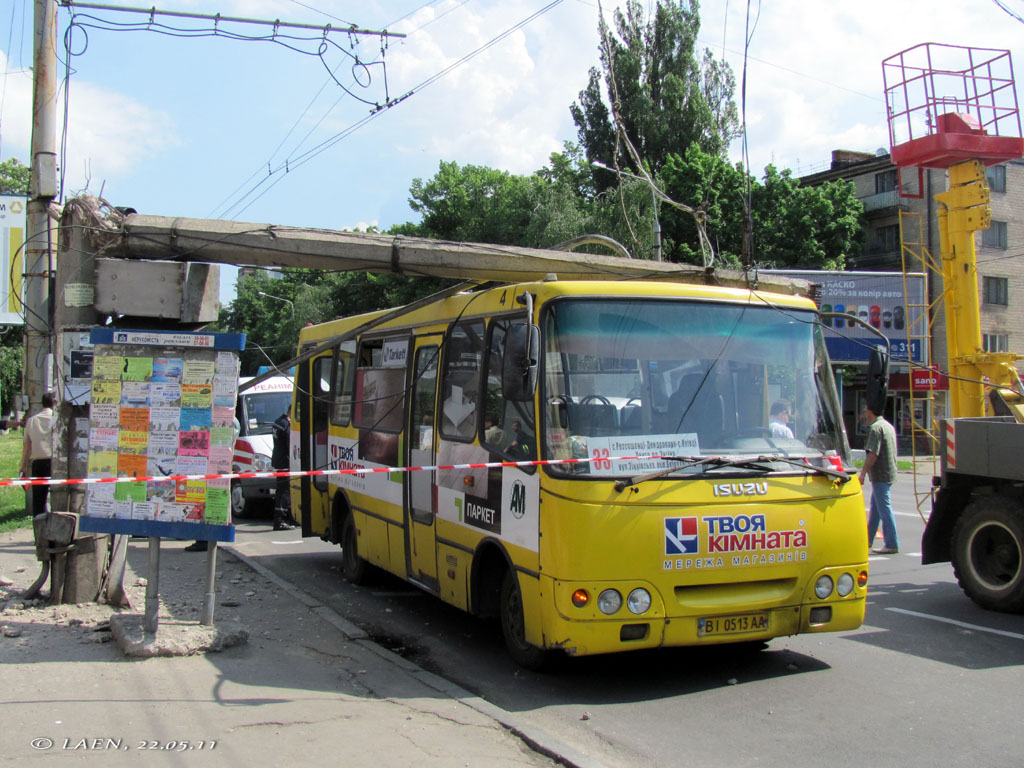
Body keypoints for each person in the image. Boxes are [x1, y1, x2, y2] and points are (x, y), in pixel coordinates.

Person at [859, 405, 899, 554]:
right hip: (889, 472)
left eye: (865, 410)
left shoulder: (875, 429)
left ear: (870, 412)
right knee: (875, 508)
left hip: (881, 474)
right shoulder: (887, 426)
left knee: (884, 508)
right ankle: (868, 539)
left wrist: (863, 473)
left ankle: (891, 543)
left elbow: (873, 454)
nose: (864, 413)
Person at [21, 392, 54, 516]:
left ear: (42, 403)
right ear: (54, 403)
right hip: (52, 462)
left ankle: (38, 524)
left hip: (37, 463)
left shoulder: (31, 420)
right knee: (57, 493)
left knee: (38, 498)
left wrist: (23, 466)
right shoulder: (56, 418)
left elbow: (26, 446)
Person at [271, 411, 296, 531]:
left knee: (281, 490)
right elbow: (289, 444)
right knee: (284, 492)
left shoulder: (277, 422)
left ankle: (287, 518)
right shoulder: (286, 425)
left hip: (278, 460)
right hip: (285, 462)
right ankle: (279, 521)